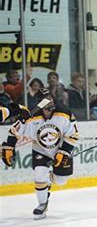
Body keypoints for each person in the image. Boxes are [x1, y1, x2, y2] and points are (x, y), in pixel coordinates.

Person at [1, 89, 78, 219]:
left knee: (60, 181)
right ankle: (42, 204)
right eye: (45, 99)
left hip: (60, 149)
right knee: (39, 174)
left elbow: (73, 135)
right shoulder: (31, 116)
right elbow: (14, 131)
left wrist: (63, 152)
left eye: (50, 98)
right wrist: (9, 145)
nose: (50, 101)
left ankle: (48, 180)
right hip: (41, 150)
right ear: (39, 103)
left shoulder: (64, 113)